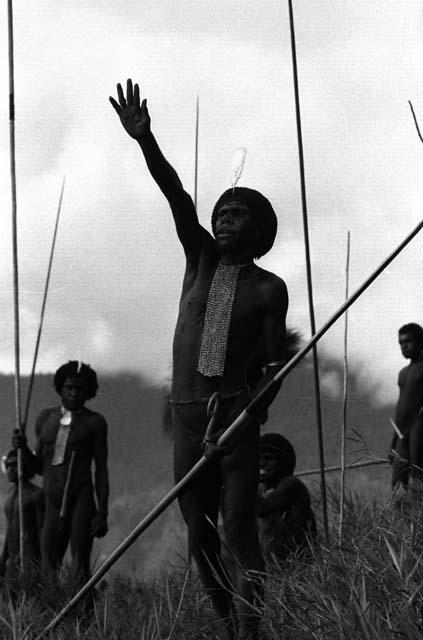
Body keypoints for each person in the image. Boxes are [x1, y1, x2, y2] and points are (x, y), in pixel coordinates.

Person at [110, 79, 288, 640]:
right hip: (186, 412)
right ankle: (226, 621)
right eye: (222, 210)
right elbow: (177, 197)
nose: (225, 218)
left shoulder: (267, 288)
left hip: (234, 413)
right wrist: (146, 141)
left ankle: (252, 627)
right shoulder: (200, 260)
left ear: (257, 230)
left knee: (238, 525)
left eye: (237, 213)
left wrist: (253, 408)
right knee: (198, 532)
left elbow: (276, 363)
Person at [13, 361, 109, 583]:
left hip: (80, 501)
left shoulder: (94, 423)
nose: (74, 393)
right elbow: (36, 468)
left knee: (79, 568)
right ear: (60, 389)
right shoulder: (45, 419)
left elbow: (102, 470)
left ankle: (83, 617)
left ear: (89, 391)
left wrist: (102, 513)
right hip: (51, 503)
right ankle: (52, 617)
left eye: (80, 388)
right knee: (48, 569)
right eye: (69, 387)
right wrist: (22, 447)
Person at [256, 433, 316, 562]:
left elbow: (263, 509)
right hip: (277, 557)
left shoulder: (291, 484)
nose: (261, 463)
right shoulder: (261, 487)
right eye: (258, 458)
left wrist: (236, 482)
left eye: (269, 458)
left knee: (269, 519)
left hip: (296, 560)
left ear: (283, 462)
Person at [0, 450, 44, 588]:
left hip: (30, 559)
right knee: (10, 600)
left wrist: (38, 560)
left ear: (23, 466)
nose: (9, 469)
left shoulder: (36, 495)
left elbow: (42, 531)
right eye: (7, 466)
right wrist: (3, 559)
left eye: (14, 465)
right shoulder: (9, 496)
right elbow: (10, 530)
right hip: (13, 559)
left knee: (29, 596)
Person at [389, 323, 423, 496]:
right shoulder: (403, 373)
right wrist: (393, 443)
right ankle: (403, 522)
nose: (403, 346)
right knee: (397, 484)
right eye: (400, 343)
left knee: (418, 477)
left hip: (419, 426)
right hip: (401, 433)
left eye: (408, 341)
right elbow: (400, 408)